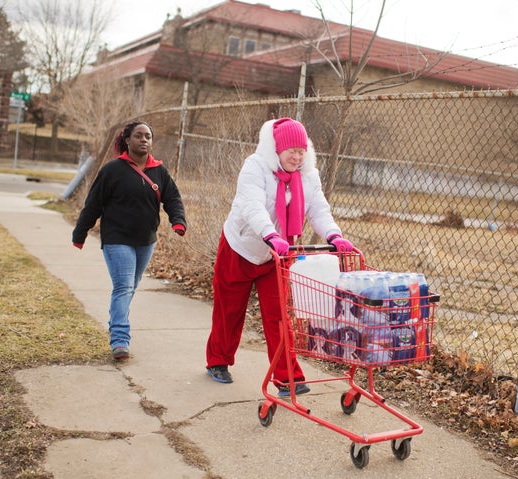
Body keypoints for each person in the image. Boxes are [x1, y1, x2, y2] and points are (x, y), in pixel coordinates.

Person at [205, 117, 354, 396]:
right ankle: (218, 361)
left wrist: (334, 235)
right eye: (291, 151)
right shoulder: (256, 166)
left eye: (302, 151)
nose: (297, 157)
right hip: (241, 247)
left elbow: (318, 209)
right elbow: (251, 205)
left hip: (278, 256)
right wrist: (270, 234)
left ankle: (287, 377)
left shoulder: (309, 176)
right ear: (277, 149)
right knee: (229, 310)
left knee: (280, 317)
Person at [72, 121, 186, 361]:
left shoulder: (159, 171)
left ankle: (116, 322)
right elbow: (93, 204)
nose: (144, 140)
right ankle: (120, 340)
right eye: (138, 135)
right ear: (127, 139)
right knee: (123, 287)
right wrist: (80, 233)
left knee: (129, 288)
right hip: (117, 239)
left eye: (148, 136)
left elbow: (173, 198)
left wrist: (178, 221)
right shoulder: (112, 170)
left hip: (146, 240)